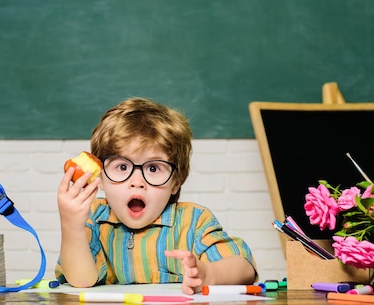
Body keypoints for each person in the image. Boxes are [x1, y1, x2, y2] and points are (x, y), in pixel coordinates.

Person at [55, 97, 258, 294]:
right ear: (101, 177)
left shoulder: (193, 221)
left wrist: (208, 274)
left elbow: (245, 268)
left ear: (175, 182)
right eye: (122, 166)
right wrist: (71, 226)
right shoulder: (92, 218)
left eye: (153, 168)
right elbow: (81, 280)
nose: (137, 181)